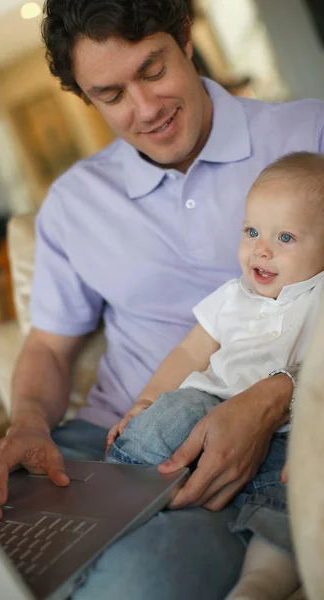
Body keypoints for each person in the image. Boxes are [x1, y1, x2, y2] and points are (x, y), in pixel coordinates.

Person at [0, 1, 324, 598]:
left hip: (247, 459)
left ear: (184, 37)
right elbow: (50, 347)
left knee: (131, 585)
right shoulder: (75, 202)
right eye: (110, 94)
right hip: (101, 439)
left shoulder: (305, 137)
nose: (146, 109)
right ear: (85, 97)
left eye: (152, 70)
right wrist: (27, 423)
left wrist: (277, 395)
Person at [106, 151, 324, 600]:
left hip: (293, 436)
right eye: (251, 232)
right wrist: (145, 401)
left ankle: (259, 584)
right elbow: (190, 351)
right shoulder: (232, 297)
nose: (261, 249)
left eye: (285, 237)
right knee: (172, 415)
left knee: (299, 504)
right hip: (209, 409)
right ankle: (118, 491)